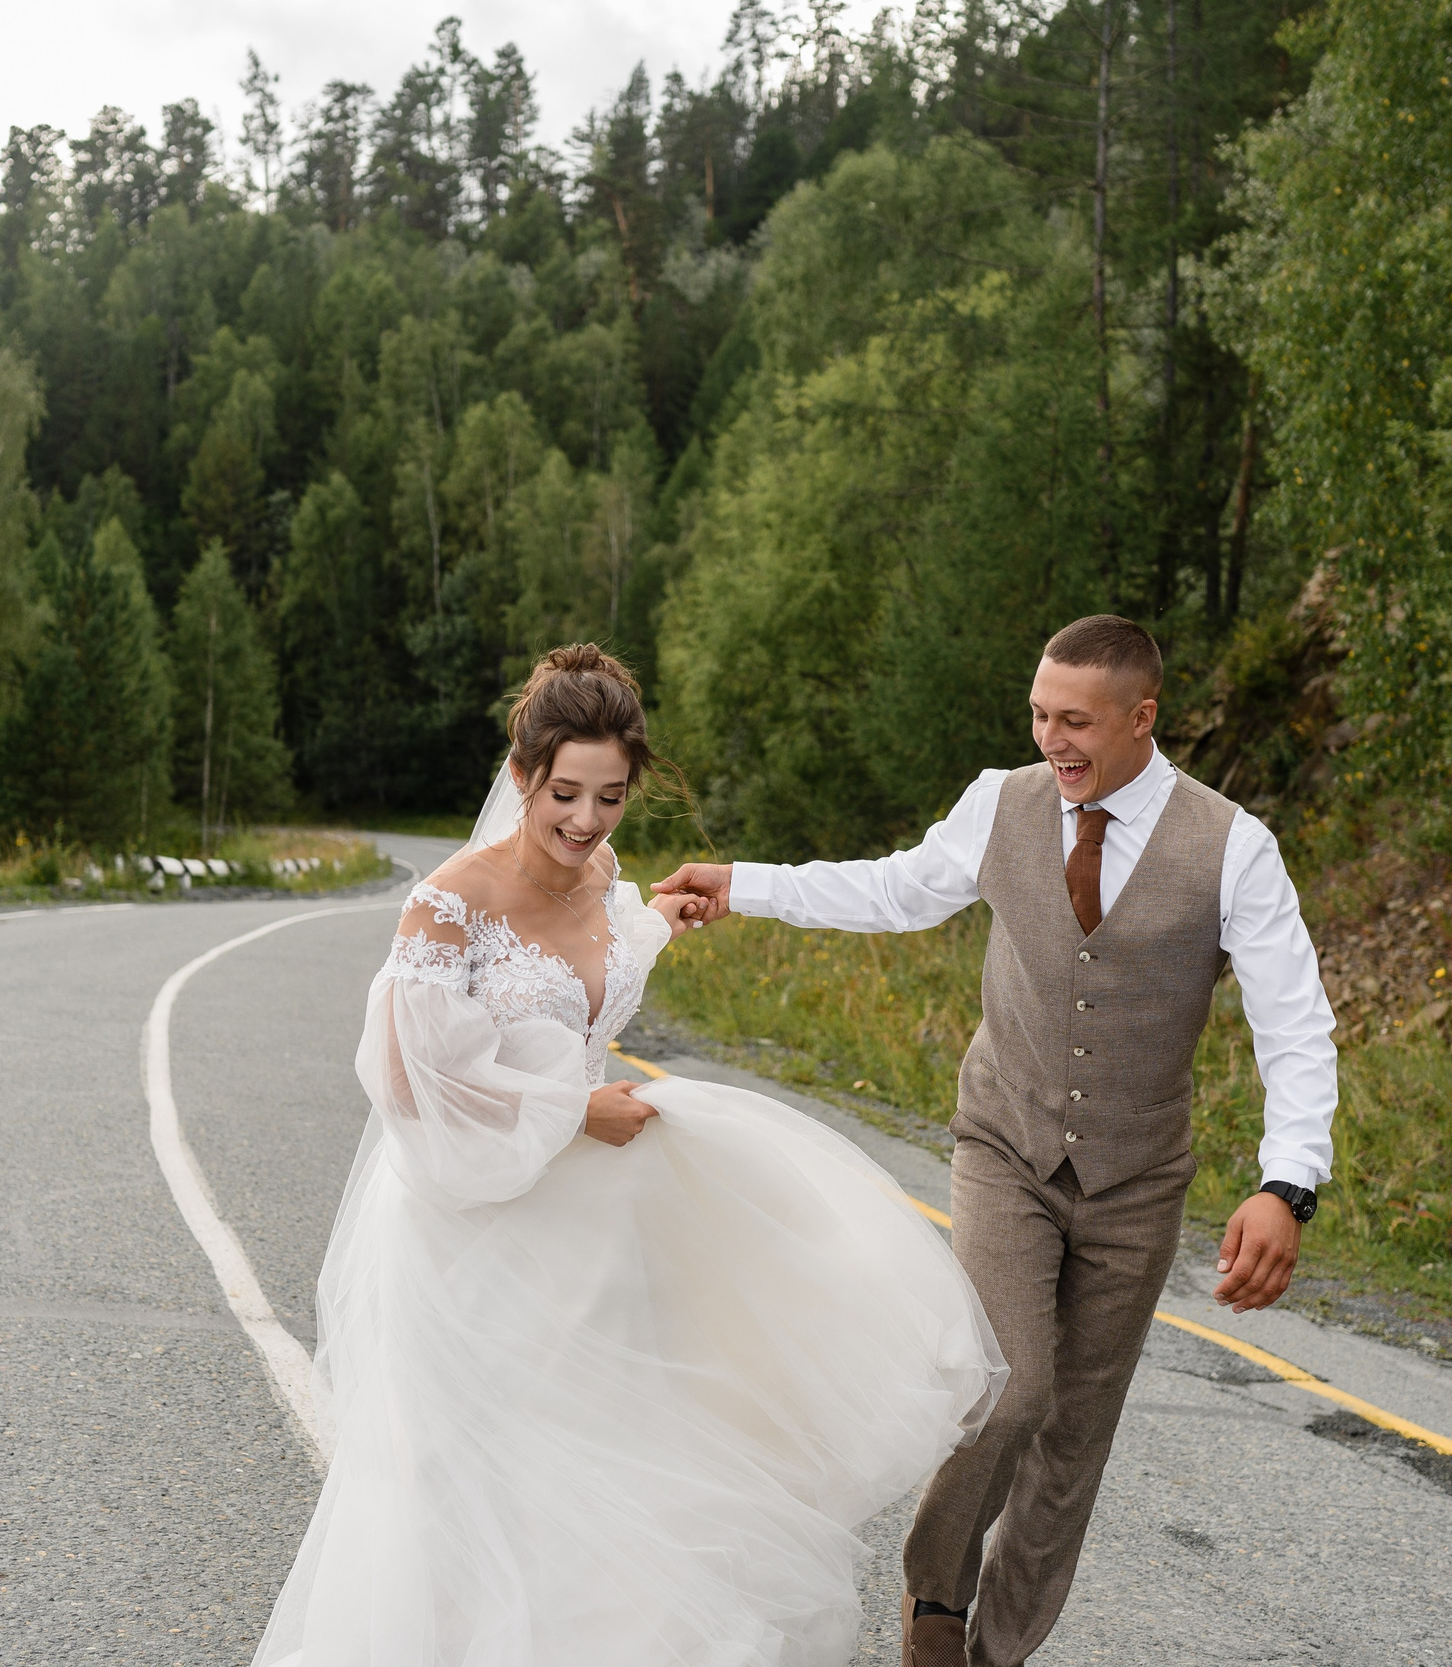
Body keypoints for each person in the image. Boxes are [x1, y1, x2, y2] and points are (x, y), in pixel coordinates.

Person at [253, 643, 1006, 1667]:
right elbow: (404, 1081)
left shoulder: (604, 874)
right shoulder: (446, 904)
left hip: (597, 1221)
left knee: (610, 1452)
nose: (585, 820)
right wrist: (568, 1111)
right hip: (477, 1224)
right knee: (486, 1469)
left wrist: (658, 918)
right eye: (565, 793)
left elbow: (586, 986)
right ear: (521, 776)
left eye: (609, 797)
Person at [658, 615, 1340, 1667]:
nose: (1051, 739)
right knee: (1007, 1386)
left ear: (1140, 717)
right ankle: (936, 1586)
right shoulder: (1000, 802)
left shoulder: (1232, 847)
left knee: (1073, 1435)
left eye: (1074, 720)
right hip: (1006, 1145)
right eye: (1038, 715)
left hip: (1137, 1178)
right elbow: (889, 889)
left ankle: (995, 1651)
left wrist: (1285, 1183)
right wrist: (742, 881)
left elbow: (1292, 1020)